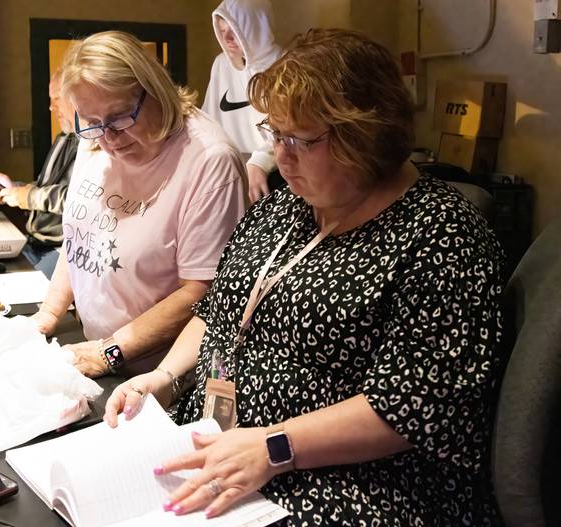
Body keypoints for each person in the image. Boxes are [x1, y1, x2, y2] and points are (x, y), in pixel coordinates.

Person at [105, 28, 505, 525]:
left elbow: (413, 405)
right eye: (275, 133)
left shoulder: (443, 234)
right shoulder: (282, 209)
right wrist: (164, 378)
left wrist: (275, 447)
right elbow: (217, 314)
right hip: (226, 444)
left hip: (350, 481)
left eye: (301, 140)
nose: (282, 156)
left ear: (367, 134)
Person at [31, 31, 246, 378]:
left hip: (161, 373)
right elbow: (79, 239)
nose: (109, 139)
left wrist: (111, 352)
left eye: (118, 118)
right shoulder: (94, 140)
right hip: (98, 354)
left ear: (154, 88)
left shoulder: (209, 160)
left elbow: (201, 290)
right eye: (91, 124)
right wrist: (49, 314)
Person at [0, 69, 79, 278]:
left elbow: (80, 199)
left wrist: (26, 196)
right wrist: (14, 189)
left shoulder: (98, 145)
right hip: (36, 243)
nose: (51, 107)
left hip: (64, 250)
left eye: (57, 99)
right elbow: (46, 188)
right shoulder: (64, 138)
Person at [202, 0, 284, 204]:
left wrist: (261, 161)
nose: (226, 38)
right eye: (221, 30)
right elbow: (208, 118)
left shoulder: (285, 63)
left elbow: (292, 128)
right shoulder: (221, 64)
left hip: (275, 170)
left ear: (257, 26)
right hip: (228, 168)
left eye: (235, 30)